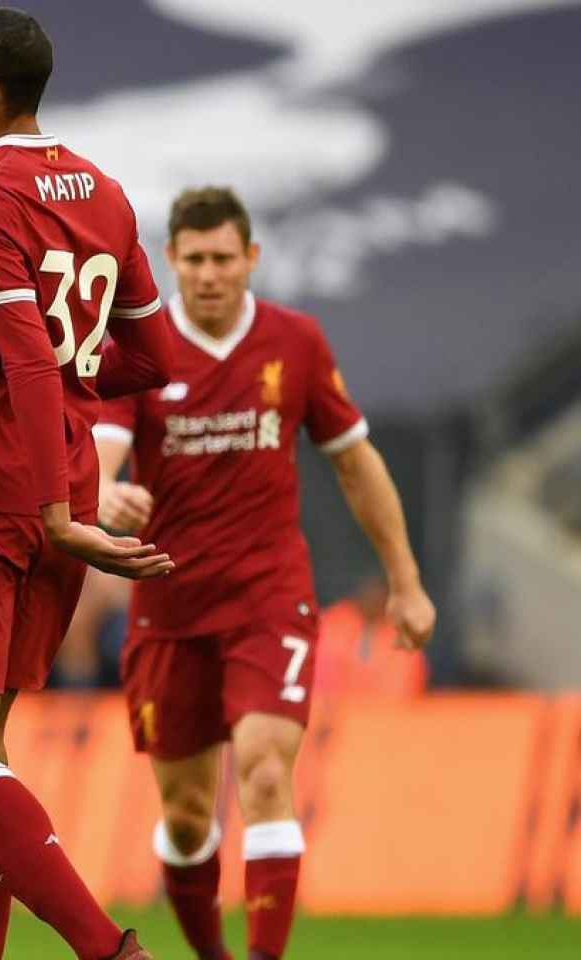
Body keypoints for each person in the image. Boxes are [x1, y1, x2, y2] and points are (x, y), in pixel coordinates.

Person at [0, 9, 178, 960]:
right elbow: (153, 355)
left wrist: (49, 505)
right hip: (62, 469)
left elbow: (18, 346)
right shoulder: (103, 192)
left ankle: (111, 951)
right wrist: (64, 388)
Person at [92, 186, 435, 960]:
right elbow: (101, 456)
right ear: (170, 263)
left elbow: (356, 465)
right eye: (193, 260)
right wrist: (104, 492)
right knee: (186, 817)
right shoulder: (135, 354)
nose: (209, 274)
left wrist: (405, 581)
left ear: (251, 259)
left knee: (265, 771)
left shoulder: (296, 342)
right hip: (168, 609)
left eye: (223, 258)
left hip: (267, 599)